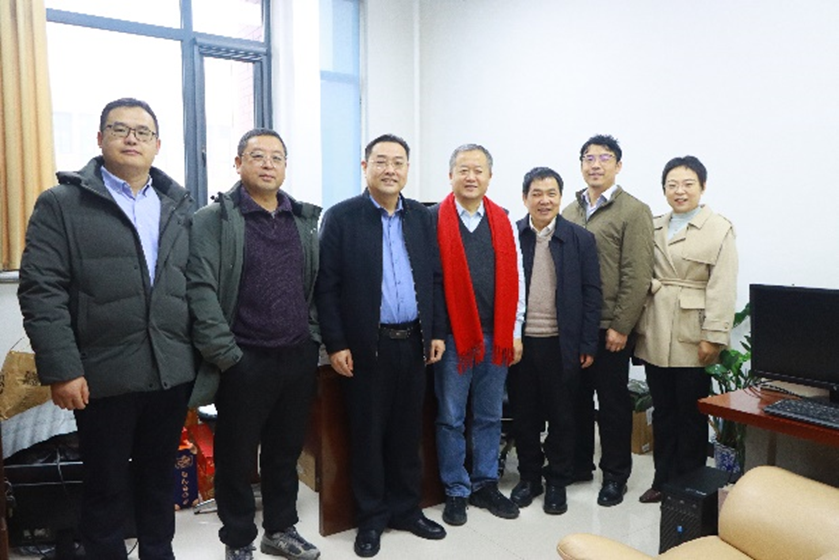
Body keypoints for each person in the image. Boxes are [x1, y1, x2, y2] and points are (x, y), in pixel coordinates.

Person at [17, 98, 195, 559]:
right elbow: (41, 290)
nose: (132, 138)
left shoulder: (177, 205)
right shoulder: (62, 204)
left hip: (169, 371)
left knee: (158, 478)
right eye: (120, 129)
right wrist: (63, 369)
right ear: (100, 139)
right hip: (101, 374)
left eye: (143, 131)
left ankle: (158, 553)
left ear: (157, 145)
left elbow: (193, 286)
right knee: (105, 484)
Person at [187, 128, 322, 560]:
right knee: (236, 457)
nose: (268, 164)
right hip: (243, 359)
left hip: (295, 356)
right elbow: (200, 290)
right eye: (257, 156)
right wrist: (228, 356)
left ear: (285, 166)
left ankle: (280, 530)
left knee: (284, 454)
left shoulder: (301, 220)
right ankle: (239, 539)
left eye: (276, 157)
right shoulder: (213, 221)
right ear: (238, 163)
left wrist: (312, 339)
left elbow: (314, 284)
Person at [316, 134, 448, 558]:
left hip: (413, 342)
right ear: (365, 166)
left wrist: (437, 331)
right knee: (368, 435)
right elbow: (327, 287)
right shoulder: (341, 217)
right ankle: (371, 517)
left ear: (407, 168)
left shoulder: (422, 217)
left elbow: (434, 278)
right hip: (366, 346)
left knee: (408, 433)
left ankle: (406, 510)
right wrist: (336, 343)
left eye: (398, 162)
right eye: (381, 161)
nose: (390, 169)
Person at [633, 156, 738, 504]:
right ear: (664, 189)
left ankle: (689, 489)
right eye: (672, 185)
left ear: (702, 187)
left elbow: (723, 286)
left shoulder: (718, 228)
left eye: (688, 184)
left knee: (690, 415)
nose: (680, 191)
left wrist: (713, 336)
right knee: (662, 412)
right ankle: (662, 481)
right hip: (655, 329)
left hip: (693, 334)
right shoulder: (653, 225)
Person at [433, 144, 525, 526]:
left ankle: (485, 484)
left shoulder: (503, 221)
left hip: (496, 336)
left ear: (489, 176)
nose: (471, 177)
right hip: (454, 338)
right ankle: (456, 488)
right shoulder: (433, 219)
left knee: (489, 415)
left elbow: (517, 279)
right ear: (451, 175)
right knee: (451, 417)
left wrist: (515, 331)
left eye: (478, 170)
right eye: (463, 169)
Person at [561, 134, 654, 507]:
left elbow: (638, 274)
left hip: (609, 326)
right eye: (589, 157)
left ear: (618, 165)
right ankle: (579, 464)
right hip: (575, 326)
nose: (595, 164)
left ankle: (615, 475)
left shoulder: (634, 211)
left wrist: (621, 326)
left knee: (612, 404)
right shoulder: (570, 210)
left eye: (604, 157)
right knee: (576, 398)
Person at [508, 167, 602, 515]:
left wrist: (587, 344)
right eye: (536, 193)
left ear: (561, 198)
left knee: (563, 416)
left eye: (551, 193)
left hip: (563, 343)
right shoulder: (512, 235)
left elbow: (592, 294)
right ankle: (529, 477)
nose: (544, 200)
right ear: (525, 198)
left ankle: (557, 480)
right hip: (521, 344)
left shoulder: (580, 239)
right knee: (525, 415)